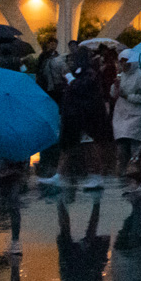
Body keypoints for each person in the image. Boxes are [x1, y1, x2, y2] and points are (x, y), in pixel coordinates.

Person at [41, 46, 108, 189]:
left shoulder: (89, 73)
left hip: (85, 116)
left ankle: (96, 176)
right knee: (68, 146)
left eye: (73, 58)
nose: (70, 61)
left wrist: (70, 79)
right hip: (75, 115)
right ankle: (60, 175)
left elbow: (81, 88)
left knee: (89, 145)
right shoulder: (81, 72)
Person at [111, 55, 141, 178]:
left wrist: (130, 97)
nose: (123, 64)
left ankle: (136, 173)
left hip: (137, 116)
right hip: (121, 114)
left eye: (126, 61)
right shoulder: (121, 76)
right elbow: (114, 94)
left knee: (135, 146)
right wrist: (115, 86)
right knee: (121, 146)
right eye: (121, 61)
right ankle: (124, 171)